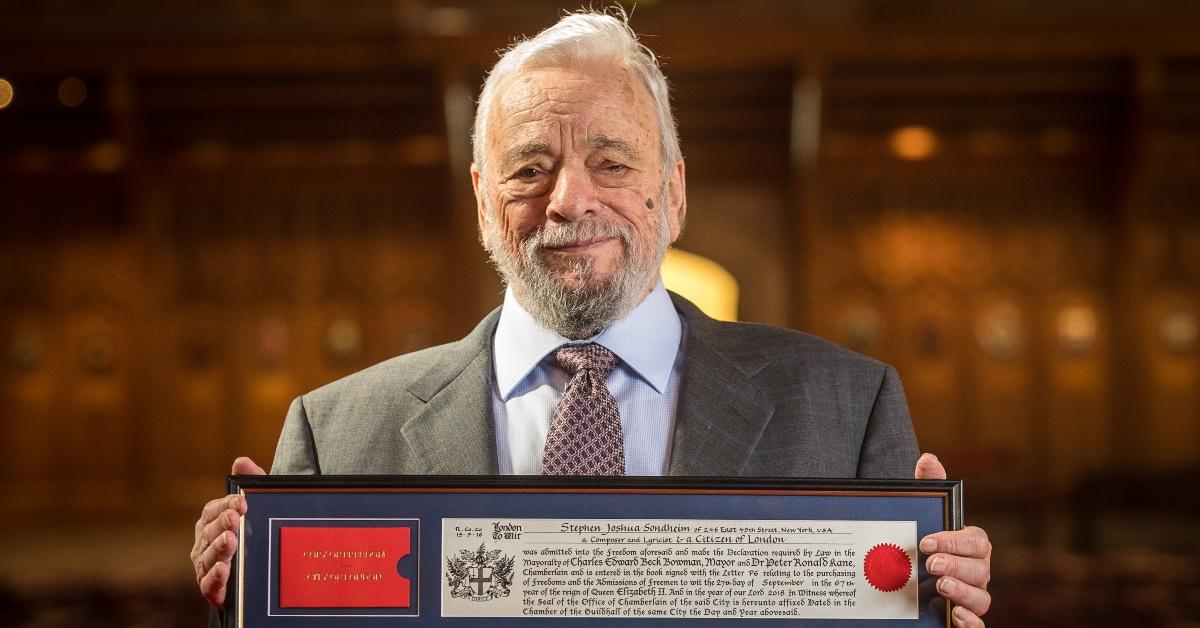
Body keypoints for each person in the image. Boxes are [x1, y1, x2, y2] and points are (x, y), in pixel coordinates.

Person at [190, 9, 991, 627]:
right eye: (530, 169)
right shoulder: (334, 437)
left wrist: (941, 604)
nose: (570, 199)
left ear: (673, 192)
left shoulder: (848, 409)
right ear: (481, 201)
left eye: (611, 163)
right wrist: (249, 590)